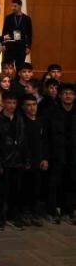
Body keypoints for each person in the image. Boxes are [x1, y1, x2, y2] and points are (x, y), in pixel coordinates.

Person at [0, 92, 27, 228]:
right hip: (3, 160)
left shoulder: (19, 119)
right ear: (3, 103)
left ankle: (12, 216)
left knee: (15, 190)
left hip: (17, 160)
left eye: (14, 103)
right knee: (0, 191)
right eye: (9, 102)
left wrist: (25, 159)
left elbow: (23, 140)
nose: (11, 105)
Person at [48, 82, 75, 223]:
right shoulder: (52, 112)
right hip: (57, 153)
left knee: (72, 181)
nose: (68, 96)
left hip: (73, 153)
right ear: (60, 96)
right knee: (56, 182)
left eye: (71, 94)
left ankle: (70, 210)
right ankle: (55, 210)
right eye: (65, 93)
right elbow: (47, 135)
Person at [21, 94, 48, 226]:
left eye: (34, 105)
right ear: (23, 107)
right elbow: (22, 143)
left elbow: (45, 142)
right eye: (29, 105)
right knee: (25, 187)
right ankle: (25, 213)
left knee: (37, 188)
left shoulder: (41, 121)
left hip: (39, 160)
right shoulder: (21, 122)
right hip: (26, 161)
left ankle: (35, 213)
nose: (32, 108)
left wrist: (45, 158)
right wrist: (26, 159)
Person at [2, 0, 32, 67]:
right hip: (10, 46)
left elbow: (29, 34)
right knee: (8, 66)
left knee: (20, 66)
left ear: (20, 6)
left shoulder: (27, 19)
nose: (13, 8)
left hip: (21, 47)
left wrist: (28, 47)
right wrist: (3, 44)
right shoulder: (8, 18)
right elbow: (4, 31)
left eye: (15, 6)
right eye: (12, 6)